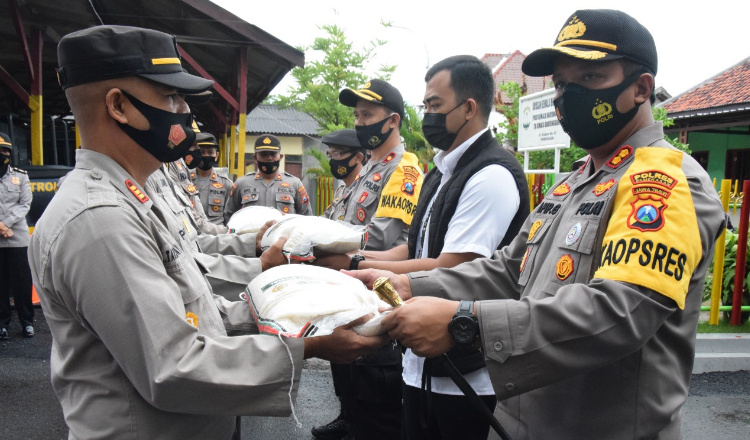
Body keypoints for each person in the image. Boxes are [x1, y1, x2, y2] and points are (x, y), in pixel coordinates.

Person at [354, 9, 726, 439]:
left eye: (590, 79)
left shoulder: (661, 182)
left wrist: (464, 323)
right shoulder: (574, 183)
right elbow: (509, 270)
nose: (568, 96)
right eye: (563, 84)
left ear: (641, 88)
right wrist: (410, 286)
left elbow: (622, 311)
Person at [29, 24, 386, 439]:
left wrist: (281, 311)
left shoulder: (133, 197)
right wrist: (308, 348)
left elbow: (191, 305)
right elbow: (171, 366)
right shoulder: (100, 219)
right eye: (170, 96)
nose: (184, 111)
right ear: (118, 106)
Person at [338, 55, 529, 440]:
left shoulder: (490, 174)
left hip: (467, 375)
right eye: (425, 105)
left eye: (435, 106)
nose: (426, 115)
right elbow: (413, 248)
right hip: (424, 366)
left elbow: (455, 267)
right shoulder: (443, 170)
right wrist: (356, 262)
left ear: (469, 108)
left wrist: (374, 272)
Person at [312, 79, 424, 440]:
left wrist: (318, 242)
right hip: (347, 287)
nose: (360, 123)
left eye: (368, 115)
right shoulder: (366, 174)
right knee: (351, 376)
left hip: (377, 290)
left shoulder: (403, 170)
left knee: (377, 391)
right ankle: (350, 419)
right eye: (357, 115)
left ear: (392, 121)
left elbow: (382, 236)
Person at [224, 134, 313, 220]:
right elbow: (229, 216)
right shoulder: (241, 184)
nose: (269, 158)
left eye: (273, 154)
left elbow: (306, 218)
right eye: (264, 154)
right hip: (251, 235)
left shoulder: (295, 184)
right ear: (255, 158)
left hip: (282, 235)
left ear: (281, 156)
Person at [0, 132, 34, 339]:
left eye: (5, 151)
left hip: (17, 238)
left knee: (22, 282)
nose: (2, 154)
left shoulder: (20, 175)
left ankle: (27, 322)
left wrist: (5, 224)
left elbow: (25, 204)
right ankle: (2, 323)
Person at [321, 129, 367, 221]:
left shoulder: (367, 188)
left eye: (336, 154)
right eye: (330, 155)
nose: (332, 161)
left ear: (358, 157)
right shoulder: (341, 188)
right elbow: (326, 221)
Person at [190, 132, 233, 226]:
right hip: (191, 234)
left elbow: (229, 216)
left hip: (216, 236)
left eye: (210, 152)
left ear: (216, 156)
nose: (206, 156)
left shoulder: (226, 184)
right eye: (201, 152)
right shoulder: (185, 180)